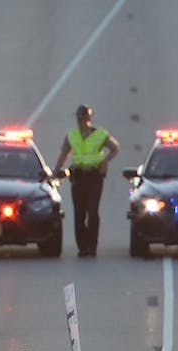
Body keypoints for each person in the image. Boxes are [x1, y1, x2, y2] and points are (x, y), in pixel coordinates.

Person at [58, 105, 120, 257]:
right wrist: (54, 172)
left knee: (92, 212)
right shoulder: (72, 135)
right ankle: (82, 247)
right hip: (78, 178)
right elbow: (63, 155)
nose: (81, 121)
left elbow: (115, 148)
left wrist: (105, 161)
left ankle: (92, 246)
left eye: (84, 118)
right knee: (79, 214)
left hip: (94, 178)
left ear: (89, 119)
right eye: (79, 118)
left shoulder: (99, 134)